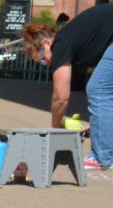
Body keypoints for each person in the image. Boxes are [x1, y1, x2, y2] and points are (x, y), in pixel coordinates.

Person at [22, 5, 113, 170]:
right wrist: (99, 125)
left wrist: (55, 130)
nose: (47, 63)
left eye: (42, 59)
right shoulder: (75, 41)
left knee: (97, 89)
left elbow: (61, 98)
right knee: (102, 89)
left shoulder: (60, 44)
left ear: (46, 44)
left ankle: (102, 157)